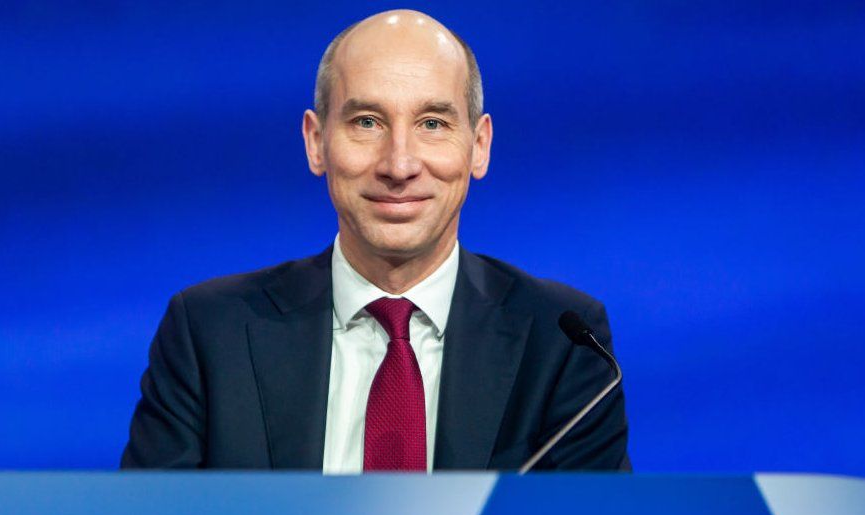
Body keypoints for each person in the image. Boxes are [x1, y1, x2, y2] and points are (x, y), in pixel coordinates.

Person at [121, 9, 630, 472]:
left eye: (432, 123)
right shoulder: (210, 334)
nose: (399, 165)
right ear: (316, 142)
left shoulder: (563, 343)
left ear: (479, 147)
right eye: (367, 122)